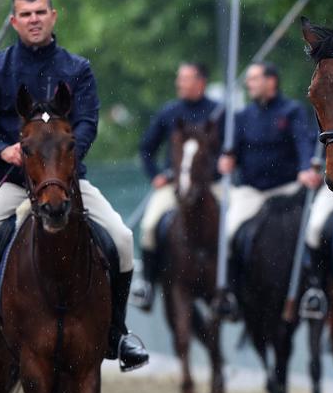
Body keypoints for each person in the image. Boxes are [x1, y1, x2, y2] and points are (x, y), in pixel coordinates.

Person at [0, 0, 148, 371]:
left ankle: (118, 334)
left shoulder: (78, 68)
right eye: (26, 14)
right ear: (13, 22)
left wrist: (63, 161)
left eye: (40, 13)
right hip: (12, 181)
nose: (34, 20)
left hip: (66, 182)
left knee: (122, 237)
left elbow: (87, 123)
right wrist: (4, 150)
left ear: (54, 16)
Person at [215, 62, 321, 317]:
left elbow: (304, 143)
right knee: (227, 233)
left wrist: (307, 167)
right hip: (251, 192)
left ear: (271, 81)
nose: (249, 84)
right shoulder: (242, 117)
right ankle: (229, 293)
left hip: (288, 190)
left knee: (313, 231)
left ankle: (315, 288)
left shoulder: (292, 111)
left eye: (254, 79)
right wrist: (226, 161)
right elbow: (232, 153)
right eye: (248, 79)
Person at [130, 61, 221, 310]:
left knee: (232, 229)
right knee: (149, 227)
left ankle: (231, 288)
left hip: (212, 186)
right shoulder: (169, 112)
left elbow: (233, 147)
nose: (179, 83)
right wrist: (155, 175)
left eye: (185, 78)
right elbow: (147, 147)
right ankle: (146, 284)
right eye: (179, 78)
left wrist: (225, 162)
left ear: (200, 82)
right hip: (174, 186)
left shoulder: (220, 113)